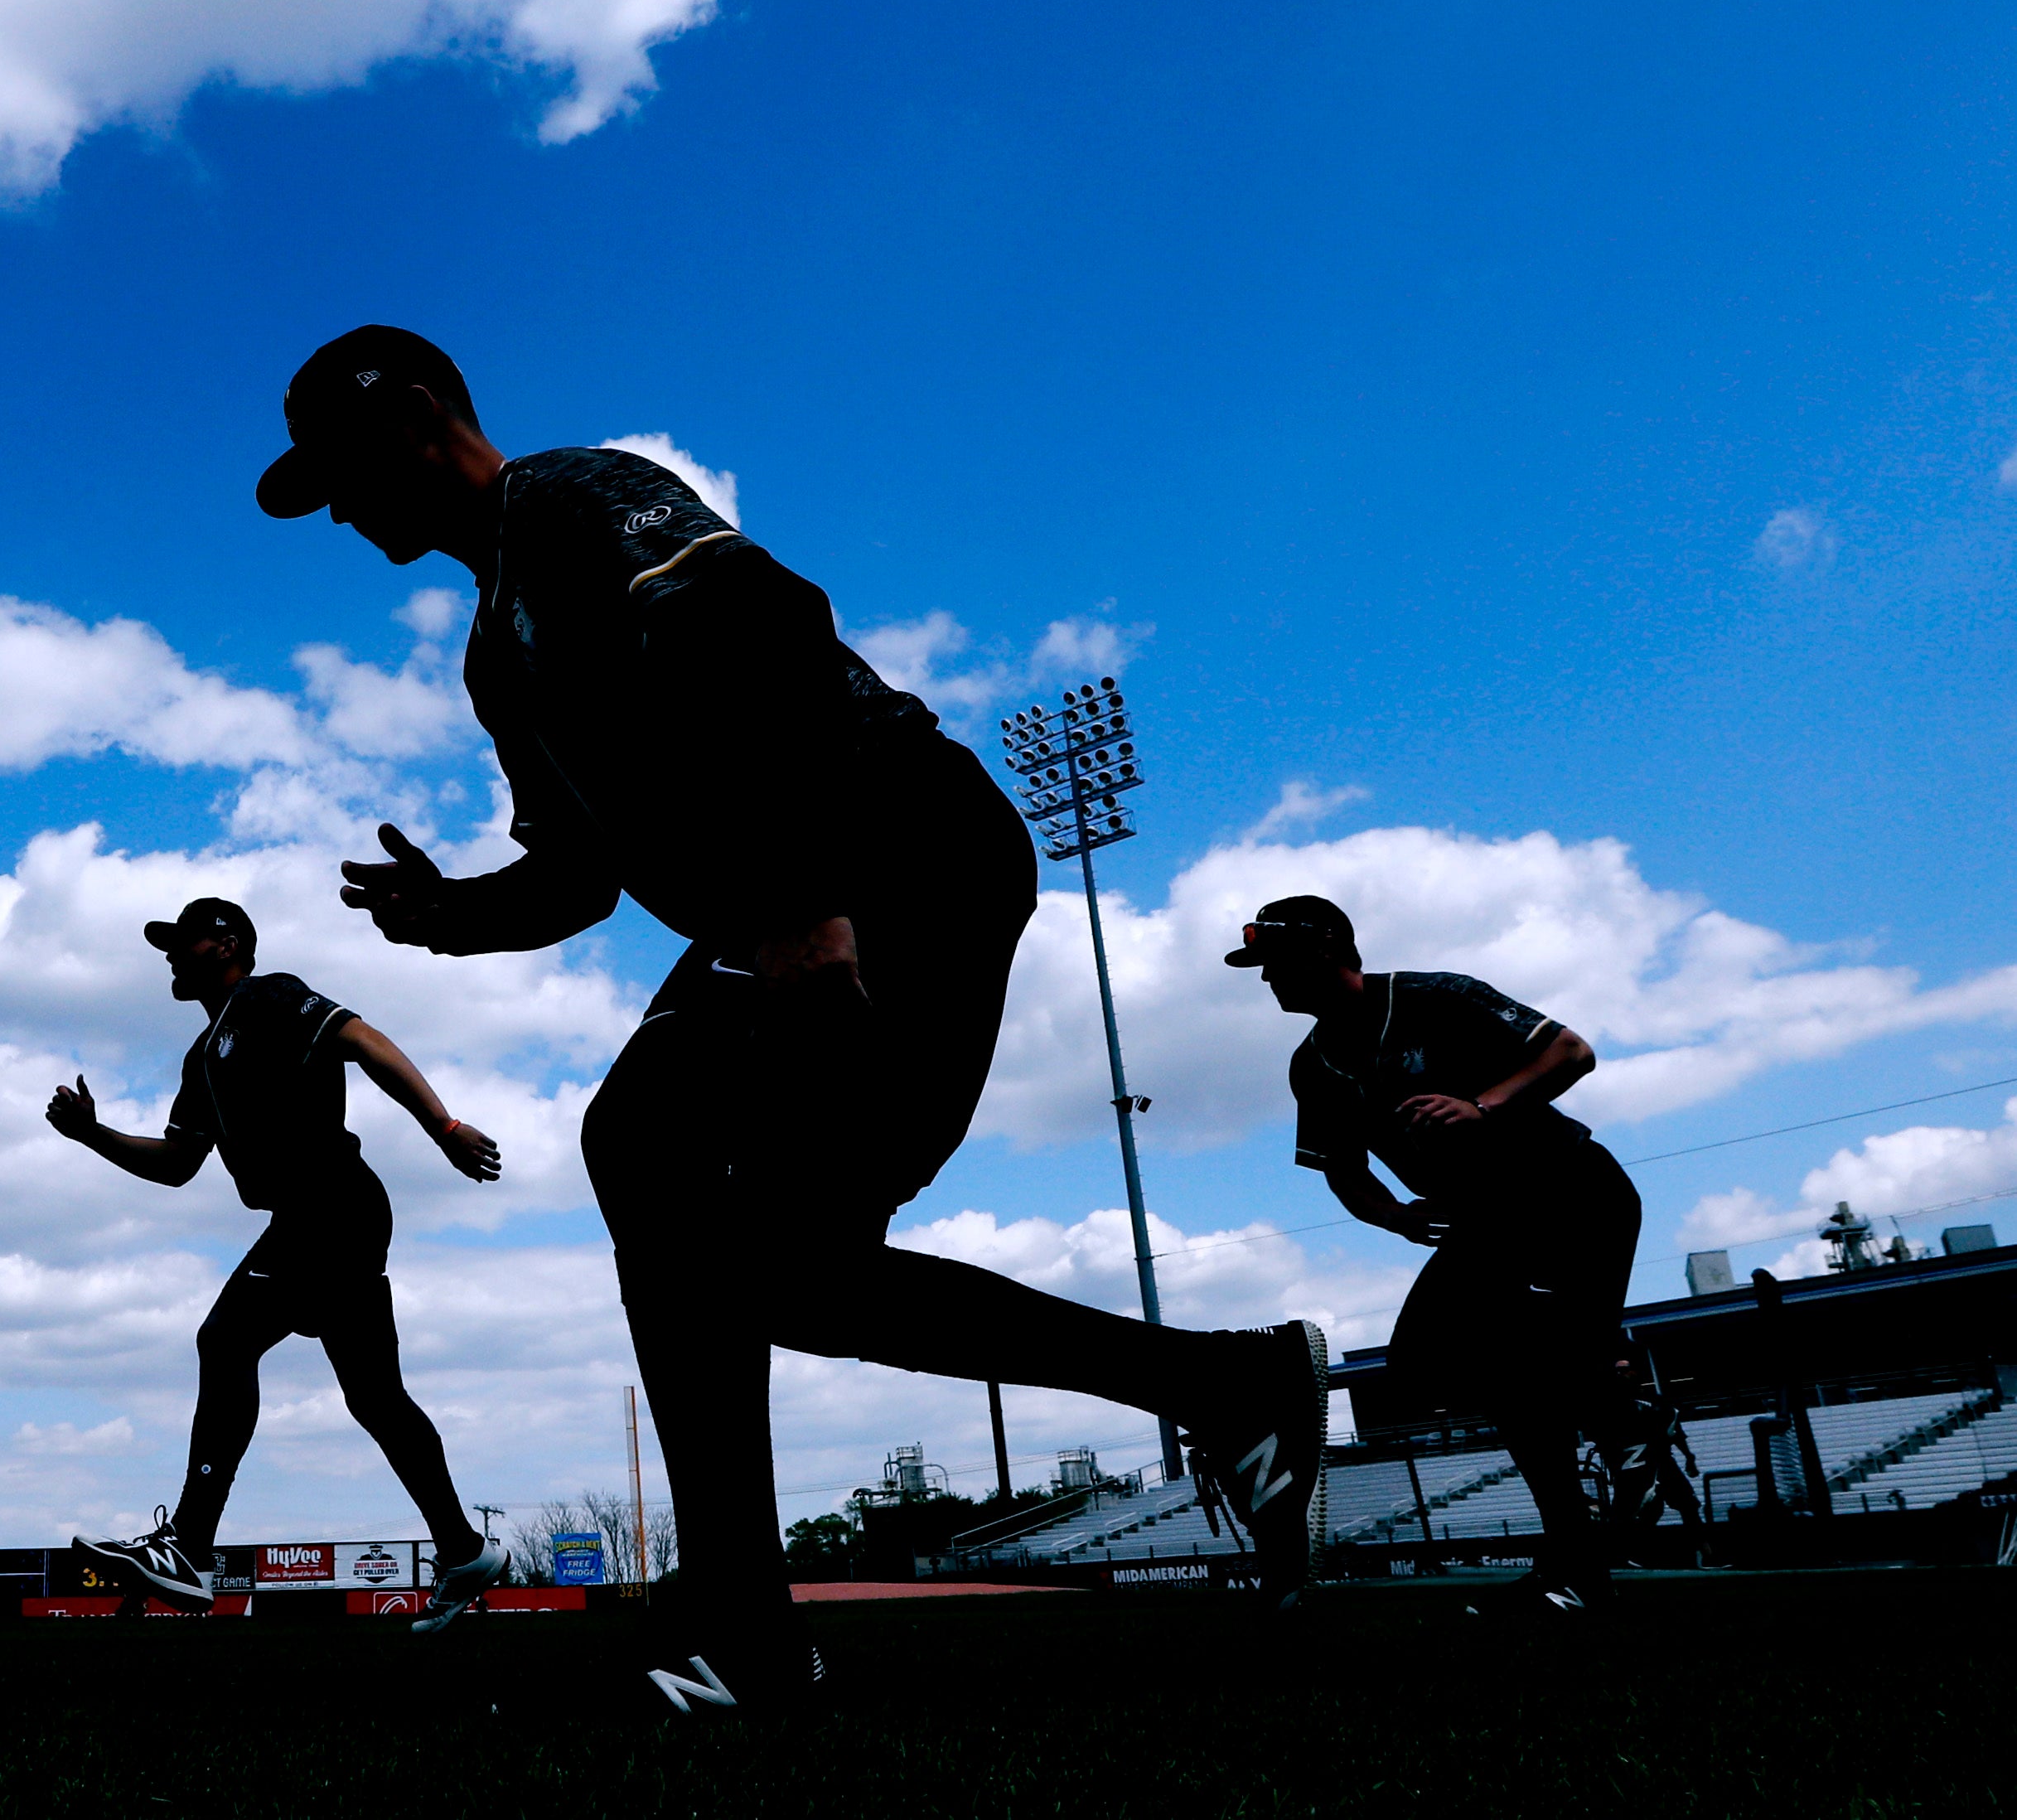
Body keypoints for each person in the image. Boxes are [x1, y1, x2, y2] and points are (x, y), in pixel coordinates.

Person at [253, 325, 1332, 1709]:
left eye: (338, 473)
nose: (336, 510)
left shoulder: (573, 497)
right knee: (763, 1249)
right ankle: (1229, 1387)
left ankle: (745, 1631)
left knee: (655, 1150)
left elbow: (764, 615)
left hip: (896, 842)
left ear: (412, 418)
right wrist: (452, 910)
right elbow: (580, 879)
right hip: (791, 900)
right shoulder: (495, 658)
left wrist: (807, 894)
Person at [46, 898, 514, 1632]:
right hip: (316, 1217)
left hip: (329, 1205)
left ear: (228, 944)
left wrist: (444, 1126)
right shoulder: (202, 1058)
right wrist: (91, 1134)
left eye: (184, 941)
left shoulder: (265, 997)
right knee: (376, 1399)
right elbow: (176, 1166)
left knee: (225, 1340)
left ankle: (189, 1548)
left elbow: (364, 1040)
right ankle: (461, 1549)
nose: (170, 955)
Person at [1224, 897, 1639, 1615]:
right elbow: (1343, 1172)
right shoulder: (1312, 1063)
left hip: (1572, 1194)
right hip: (1488, 1224)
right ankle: (1608, 1411)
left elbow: (1572, 1051)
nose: (1266, 982)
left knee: (1522, 1372)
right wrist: (1396, 1216)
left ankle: (1583, 1539)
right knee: (1421, 1364)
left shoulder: (1432, 996)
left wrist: (1482, 1105)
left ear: (1326, 947)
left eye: (1275, 963)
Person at [1603, 1355, 1703, 1566]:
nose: (1622, 1375)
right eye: (1618, 1372)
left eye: (1626, 1370)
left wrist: (1689, 1457)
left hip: (1661, 1459)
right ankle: (1625, 1555)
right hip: (1635, 1463)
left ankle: (1704, 1553)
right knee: (1640, 1510)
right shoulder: (1610, 1403)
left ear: (1634, 1372)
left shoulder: (1656, 1401)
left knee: (1687, 1504)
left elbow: (1675, 1431)